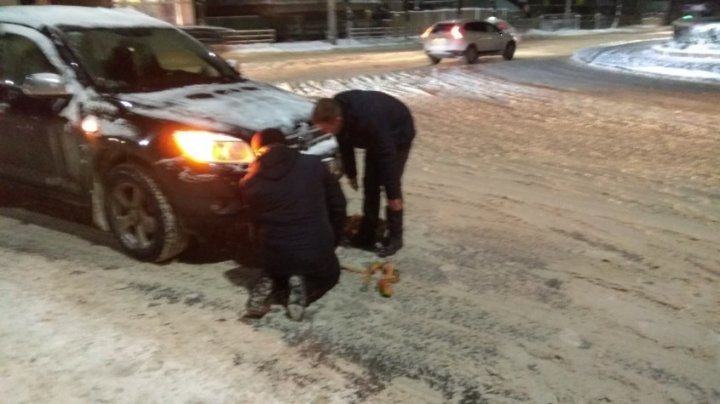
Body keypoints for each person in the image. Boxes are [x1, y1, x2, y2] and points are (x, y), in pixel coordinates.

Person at [239, 128, 347, 321]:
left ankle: (272, 279)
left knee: (276, 255)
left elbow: (254, 226)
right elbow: (338, 206)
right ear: (286, 145)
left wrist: (261, 251)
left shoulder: (250, 182)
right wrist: (332, 240)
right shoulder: (315, 165)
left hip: (275, 252)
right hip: (316, 249)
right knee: (330, 274)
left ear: (258, 152)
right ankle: (301, 287)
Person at [311, 90, 415, 257]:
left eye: (325, 129)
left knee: (389, 184)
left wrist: (393, 191)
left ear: (338, 120)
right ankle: (367, 233)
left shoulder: (369, 120)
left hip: (398, 134)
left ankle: (396, 237)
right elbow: (344, 143)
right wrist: (351, 173)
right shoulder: (338, 111)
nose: (325, 132)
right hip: (376, 138)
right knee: (370, 184)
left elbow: (387, 154)